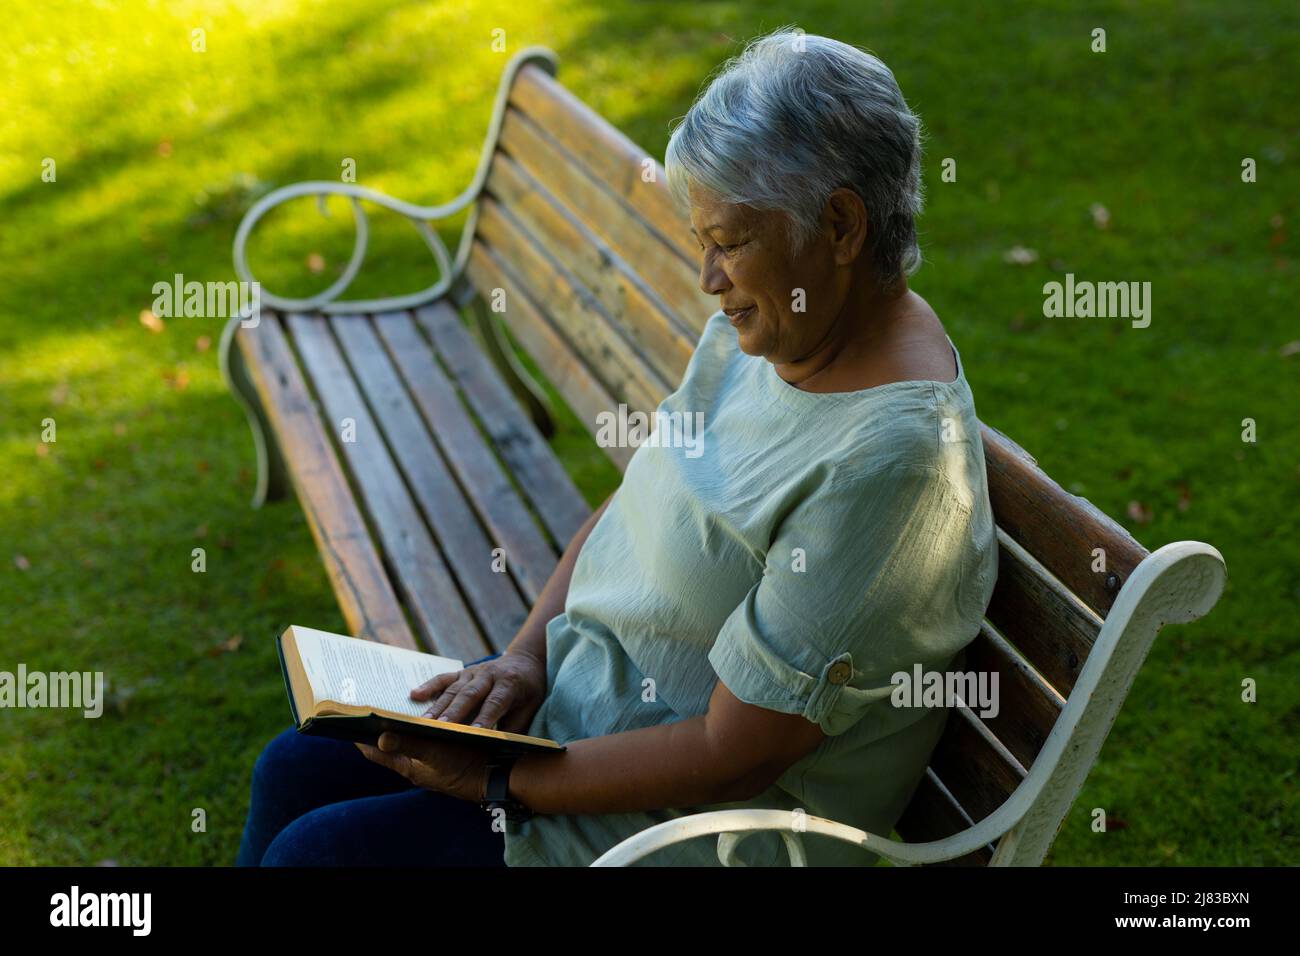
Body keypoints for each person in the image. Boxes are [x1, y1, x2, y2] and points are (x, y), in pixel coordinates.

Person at [238, 26, 999, 867]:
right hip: (569, 727)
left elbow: (733, 754)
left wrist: (496, 783)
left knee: (321, 856)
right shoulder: (783, 332)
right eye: (701, 241)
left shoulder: (888, 472)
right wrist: (522, 662)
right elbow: (636, 500)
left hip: (674, 835)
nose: (709, 280)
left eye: (730, 242)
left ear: (843, 224)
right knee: (296, 768)